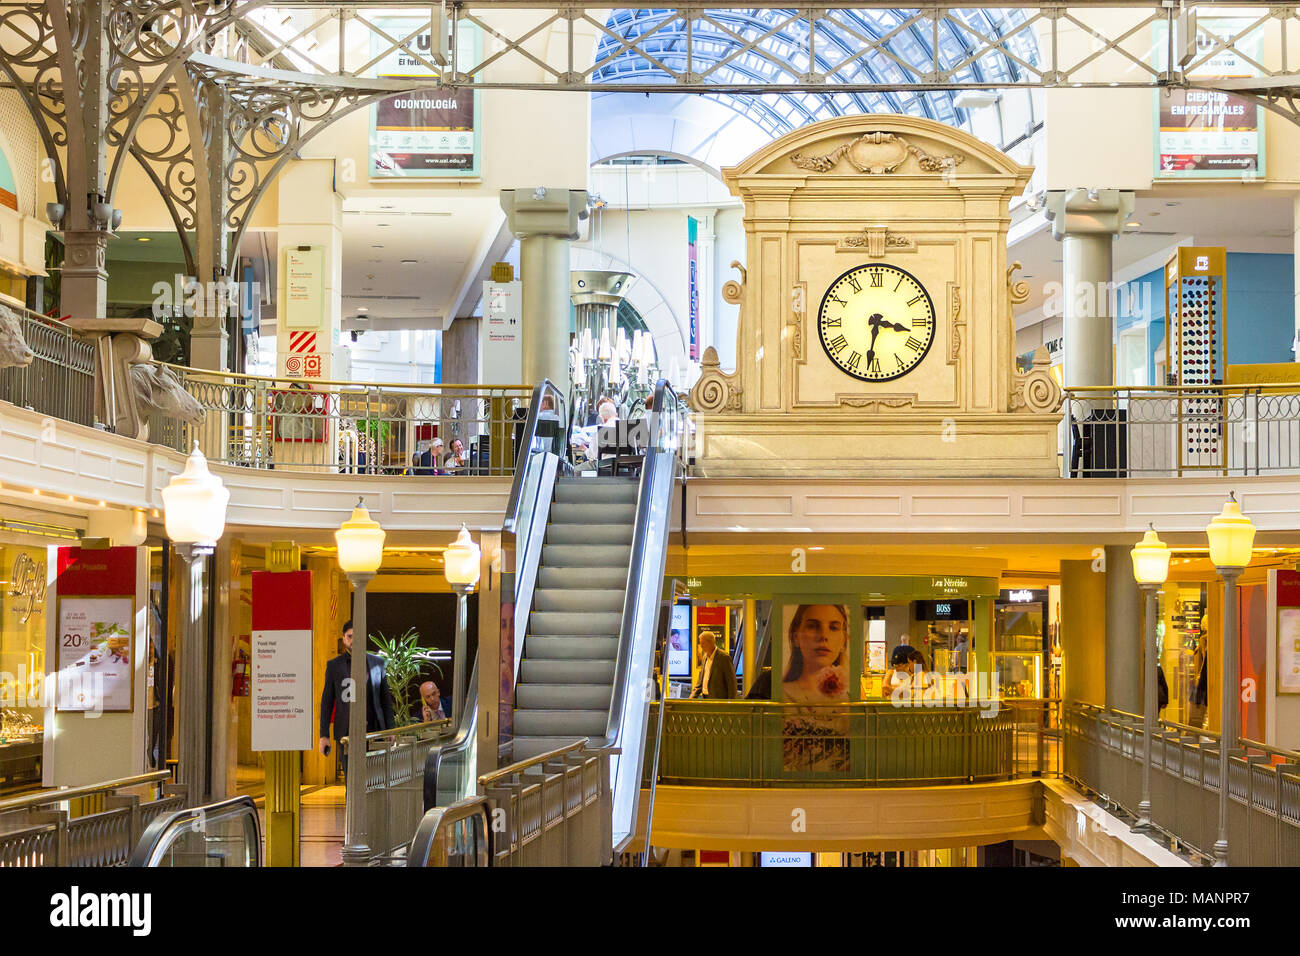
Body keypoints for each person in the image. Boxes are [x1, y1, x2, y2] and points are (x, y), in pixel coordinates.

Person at [318, 620, 396, 775]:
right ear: (344, 638)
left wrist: (390, 730)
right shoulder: (334, 666)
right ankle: (351, 801)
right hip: (346, 732)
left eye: (357, 636)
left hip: (375, 731)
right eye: (349, 636)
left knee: (375, 778)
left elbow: (386, 700)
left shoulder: (377, 663)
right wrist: (324, 735)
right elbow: (326, 701)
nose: (353, 640)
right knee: (351, 778)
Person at [782, 604, 849, 702]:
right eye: (812, 626)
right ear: (796, 636)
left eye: (833, 628)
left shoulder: (850, 697)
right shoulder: (779, 693)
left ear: (843, 641)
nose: (823, 635)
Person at [690, 630, 737, 700]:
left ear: (710, 643)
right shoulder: (705, 657)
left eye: (703, 643)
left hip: (719, 701)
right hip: (706, 698)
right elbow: (700, 682)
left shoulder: (724, 657)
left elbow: (731, 683)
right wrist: (691, 698)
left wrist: (730, 704)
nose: (701, 646)